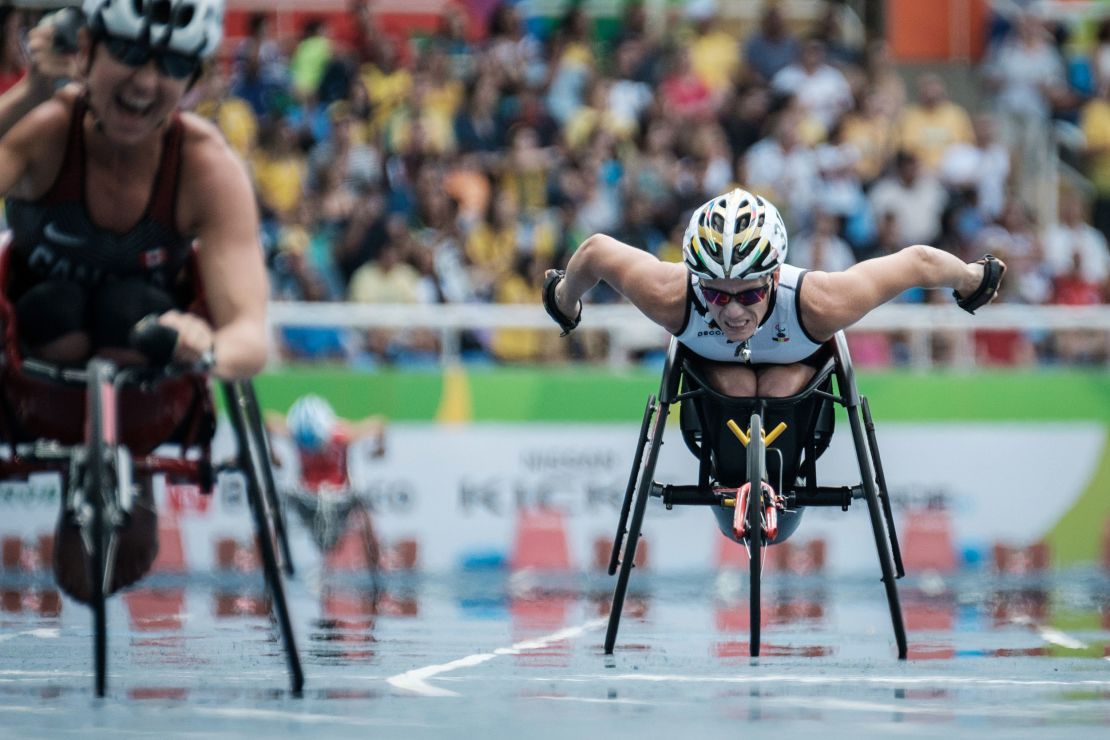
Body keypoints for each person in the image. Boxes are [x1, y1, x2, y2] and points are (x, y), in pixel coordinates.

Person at [0, 1, 268, 602]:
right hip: (33, 386)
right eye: (126, 53)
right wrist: (30, 91)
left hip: (146, 391)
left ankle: (127, 477)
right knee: (56, 305)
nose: (146, 82)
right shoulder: (44, 127)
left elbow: (252, 335)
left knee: (132, 307)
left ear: (192, 81)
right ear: (85, 50)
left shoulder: (206, 165)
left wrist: (211, 345)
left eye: (171, 63)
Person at [543, 186, 1005, 405]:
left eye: (747, 294)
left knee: (778, 386)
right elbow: (595, 251)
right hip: (715, 384)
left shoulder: (818, 302)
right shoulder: (671, 294)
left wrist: (971, 278)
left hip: (796, 377)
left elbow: (919, 263)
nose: (734, 312)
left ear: (773, 278)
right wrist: (564, 299)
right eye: (718, 297)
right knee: (742, 386)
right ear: (697, 282)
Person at [266, 394, 385, 570]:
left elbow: (378, 424)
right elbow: (267, 421)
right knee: (276, 505)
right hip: (306, 493)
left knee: (364, 505)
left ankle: (377, 561)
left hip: (340, 494)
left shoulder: (342, 434)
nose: (313, 452)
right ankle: (271, 561)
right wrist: (273, 454)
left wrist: (379, 449)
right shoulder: (294, 431)